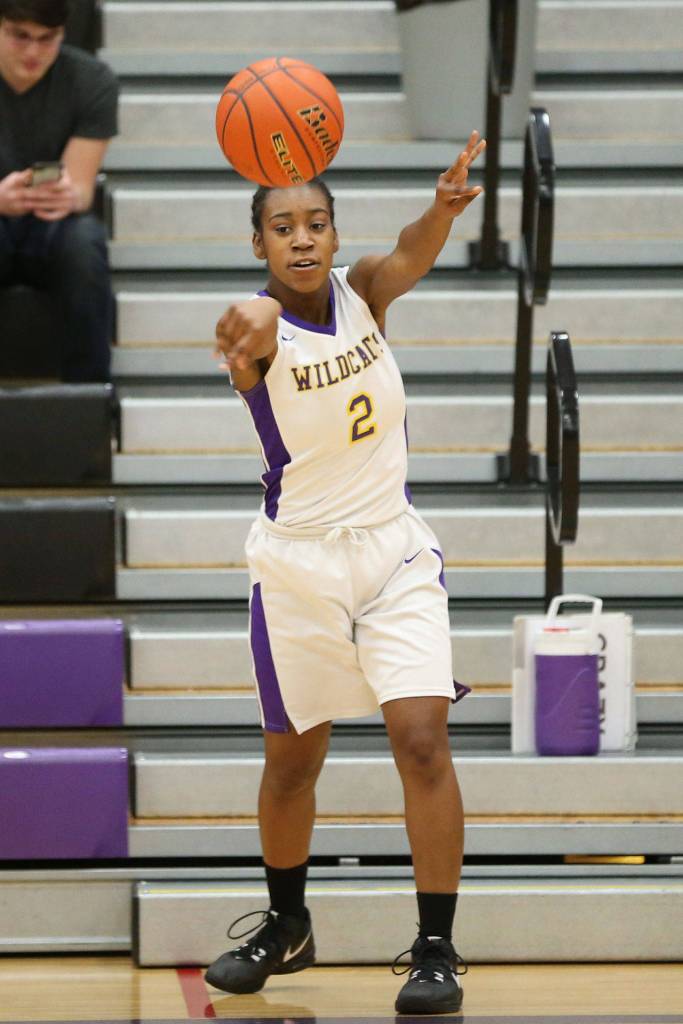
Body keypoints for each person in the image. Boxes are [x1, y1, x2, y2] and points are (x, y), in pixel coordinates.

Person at [206, 129, 486, 1015]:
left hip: (392, 550)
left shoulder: (362, 291)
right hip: (298, 566)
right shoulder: (257, 328)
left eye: (315, 223)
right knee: (292, 765)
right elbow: (250, 330)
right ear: (258, 242)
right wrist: (244, 322)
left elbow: (409, 255)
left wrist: (440, 211)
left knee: (421, 739)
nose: (301, 238)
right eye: (282, 226)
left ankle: (435, 949)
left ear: (333, 233)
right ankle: (287, 925)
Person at [0, 0, 118, 382]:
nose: (33, 51)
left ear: (63, 33)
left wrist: (68, 194)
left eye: (47, 38)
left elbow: (81, 189)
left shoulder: (92, 80)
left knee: (85, 244)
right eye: (20, 36)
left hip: (53, 226)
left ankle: (89, 396)